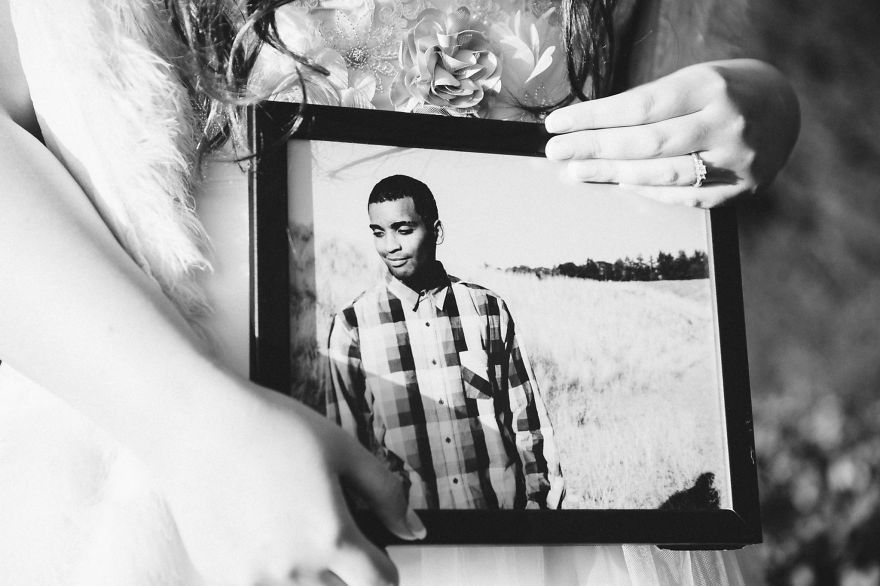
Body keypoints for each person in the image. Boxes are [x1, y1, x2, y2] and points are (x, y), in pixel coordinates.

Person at [0, 0, 799, 584]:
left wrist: (757, 102)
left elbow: (652, 92)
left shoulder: (489, 312)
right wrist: (191, 430)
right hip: (188, 469)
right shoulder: (352, 328)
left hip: (553, 549)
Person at [326, 175, 564, 510]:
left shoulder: (487, 308)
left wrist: (541, 503)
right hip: (415, 532)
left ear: (436, 231)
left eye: (403, 230)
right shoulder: (353, 325)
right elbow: (348, 444)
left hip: (501, 523)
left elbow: (525, 416)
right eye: (379, 233)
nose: (390, 246)